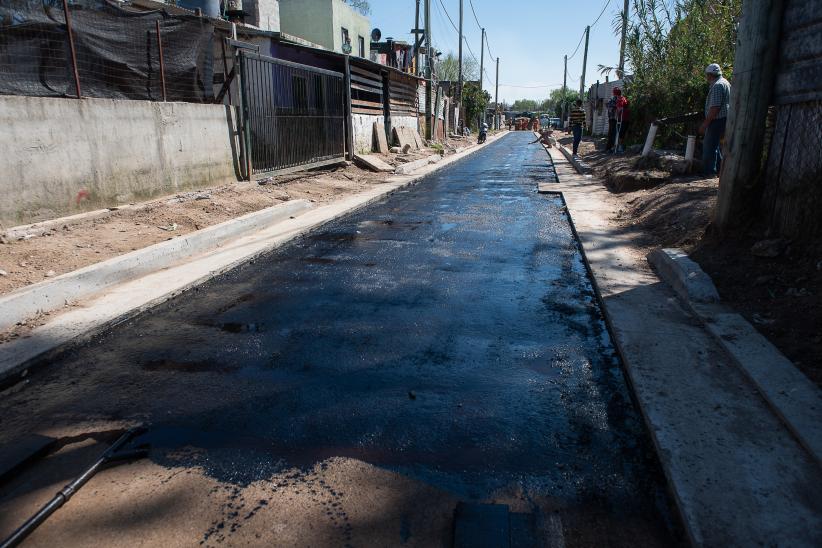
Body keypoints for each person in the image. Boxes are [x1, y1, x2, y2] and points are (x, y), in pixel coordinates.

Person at [700, 63, 731, 176]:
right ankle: (719, 170)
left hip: (717, 120)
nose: (706, 77)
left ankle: (709, 172)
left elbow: (715, 108)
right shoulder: (725, 82)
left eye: (707, 75)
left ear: (710, 75)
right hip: (723, 119)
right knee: (715, 146)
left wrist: (705, 124)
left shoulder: (718, 85)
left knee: (709, 146)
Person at [606, 87, 619, 152]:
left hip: (613, 118)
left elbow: (608, 106)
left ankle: (610, 148)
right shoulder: (619, 99)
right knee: (613, 133)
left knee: (612, 133)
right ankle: (610, 147)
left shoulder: (613, 99)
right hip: (616, 118)